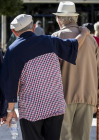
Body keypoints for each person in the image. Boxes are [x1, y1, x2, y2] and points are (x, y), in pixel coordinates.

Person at [0, 14, 89, 140]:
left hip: (31, 110)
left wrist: (9, 111)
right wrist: (84, 33)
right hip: (55, 105)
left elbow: (10, 83)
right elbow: (73, 45)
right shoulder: (50, 41)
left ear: (14, 32)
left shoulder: (13, 50)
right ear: (34, 27)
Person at [52, 1, 99, 140]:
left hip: (63, 96)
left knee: (62, 137)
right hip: (88, 95)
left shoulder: (56, 37)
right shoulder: (92, 40)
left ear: (59, 19)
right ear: (76, 18)